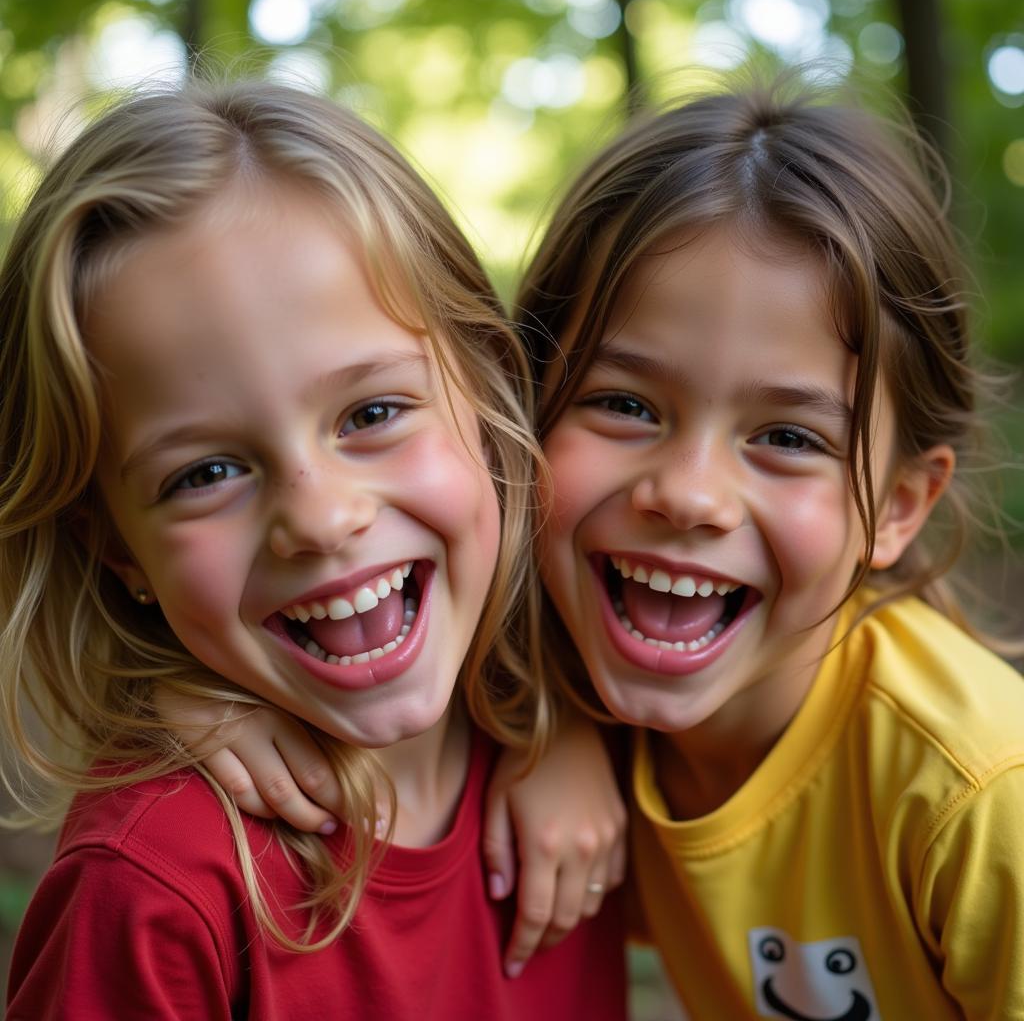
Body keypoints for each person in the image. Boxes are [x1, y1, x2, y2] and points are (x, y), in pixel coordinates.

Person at [200, 75, 1024, 1018]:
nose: (687, 494)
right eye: (625, 406)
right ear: (521, 417)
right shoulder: (542, 671)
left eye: (789, 438)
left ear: (903, 504)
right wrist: (199, 705)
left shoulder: (984, 800)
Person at [0, 80, 627, 1020]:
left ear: (489, 392)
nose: (322, 518)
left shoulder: (616, 699)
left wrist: (572, 730)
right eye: (204, 473)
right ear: (116, 549)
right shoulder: (154, 893)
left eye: (372, 414)